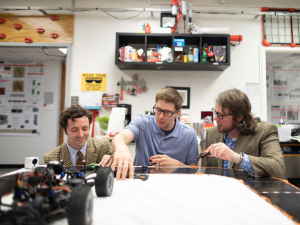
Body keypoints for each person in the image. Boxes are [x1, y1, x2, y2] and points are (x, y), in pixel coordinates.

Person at [107, 87, 199, 180]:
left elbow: (194, 170)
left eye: (167, 112)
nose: (161, 116)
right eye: (158, 110)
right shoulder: (142, 122)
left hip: (173, 184)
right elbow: (121, 136)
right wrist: (121, 147)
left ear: (177, 113)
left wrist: (176, 165)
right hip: (140, 183)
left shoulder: (189, 134)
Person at [204, 88, 285, 178]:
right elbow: (209, 172)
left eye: (221, 115)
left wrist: (237, 158)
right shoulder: (211, 133)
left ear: (239, 117)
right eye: (215, 112)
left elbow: (278, 168)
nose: (215, 118)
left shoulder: (265, 130)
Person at [44, 105, 113, 167]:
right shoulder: (51, 158)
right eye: (74, 130)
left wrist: (114, 158)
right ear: (65, 131)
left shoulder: (104, 147)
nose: (81, 134)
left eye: (85, 129)